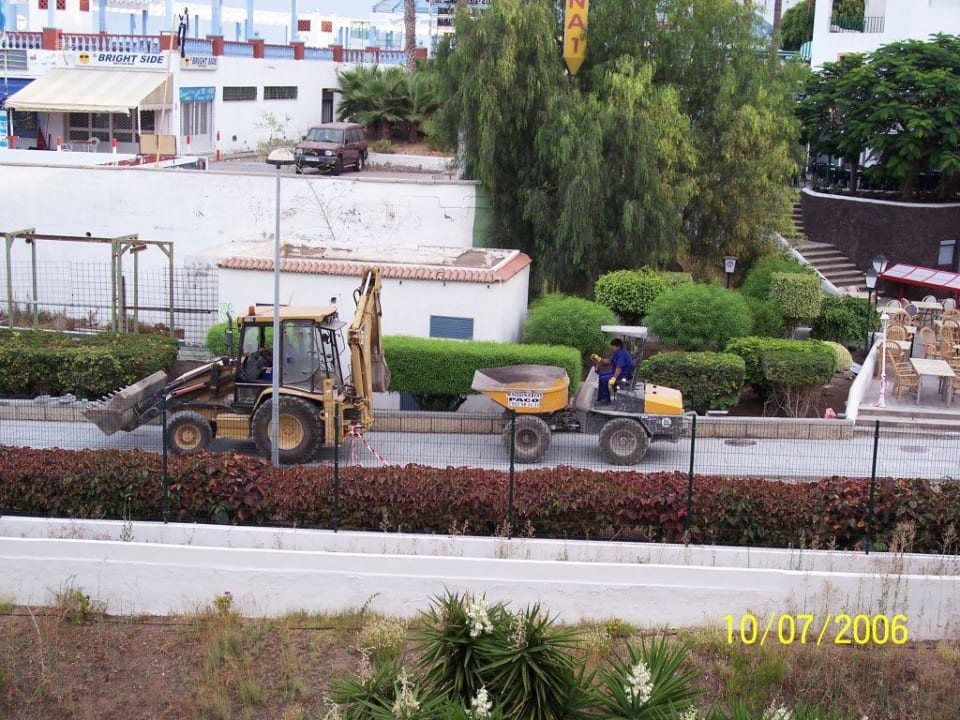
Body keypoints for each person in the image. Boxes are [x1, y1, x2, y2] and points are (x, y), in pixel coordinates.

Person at [593, 338, 633, 403]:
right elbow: (609, 361)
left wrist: (614, 378)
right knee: (601, 376)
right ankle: (601, 398)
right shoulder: (617, 352)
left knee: (603, 379)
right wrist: (599, 359)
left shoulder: (622, 354)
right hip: (617, 373)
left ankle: (605, 400)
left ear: (618, 347)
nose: (611, 348)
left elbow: (619, 368)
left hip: (622, 375)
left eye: (613, 346)